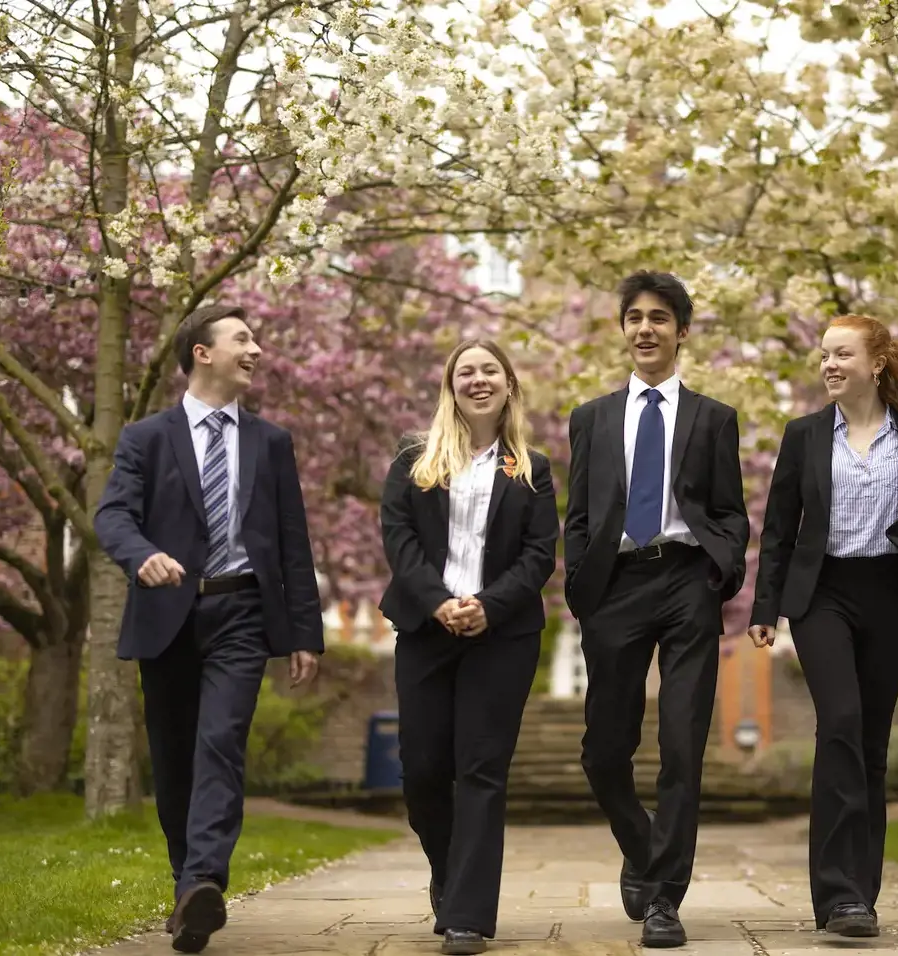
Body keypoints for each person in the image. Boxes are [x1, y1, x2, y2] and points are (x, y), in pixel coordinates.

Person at [95, 304, 323, 954]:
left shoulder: (270, 441)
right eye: (243, 339)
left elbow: (291, 542)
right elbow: (112, 515)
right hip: (167, 614)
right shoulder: (146, 438)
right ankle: (186, 896)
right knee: (173, 760)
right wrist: (143, 557)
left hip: (242, 613)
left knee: (221, 743)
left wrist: (304, 631)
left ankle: (203, 880)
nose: (256, 350)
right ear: (202, 352)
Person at [746, 314, 898, 938]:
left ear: (875, 363)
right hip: (822, 595)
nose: (828, 365)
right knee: (839, 722)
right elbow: (780, 530)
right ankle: (838, 894)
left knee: (870, 743)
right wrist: (766, 609)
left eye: (842, 354)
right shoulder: (806, 436)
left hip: (889, 595)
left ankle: (858, 897)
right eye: (823, 356)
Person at [564, 271, 750, 949]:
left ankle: (665, 898)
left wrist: (716, 572)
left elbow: (730, 512)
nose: (646, 329)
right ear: (623, 329)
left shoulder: (714, 418)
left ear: (682, 332)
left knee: (680, 746)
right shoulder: (591, 418)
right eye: (635, 318)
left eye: (660, 319)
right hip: (613, 588)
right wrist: (582, 583)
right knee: (602, 752)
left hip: (684, 585)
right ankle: (642, 847)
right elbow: (578, 512)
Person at [379, 339, 558, 956]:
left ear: (509, 384)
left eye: (489, 370)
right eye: (465, 372)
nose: (477, 380)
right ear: (450, 387)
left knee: (481, 770)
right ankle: (450, 872)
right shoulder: (414, 460)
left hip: (501, 637)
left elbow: (540, 554)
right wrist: (438, 602)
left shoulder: (529, 467)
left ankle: (468, 916)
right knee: (424, 769)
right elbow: (398, 540)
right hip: (426, 630)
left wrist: (489, 605)